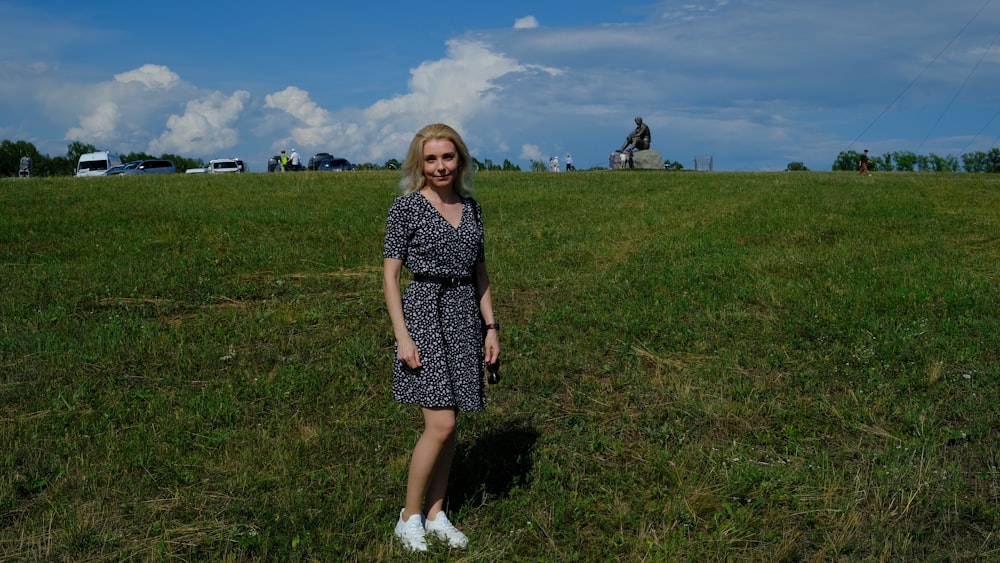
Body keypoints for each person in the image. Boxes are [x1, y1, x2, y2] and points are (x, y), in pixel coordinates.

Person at [383, 123, 500, 552]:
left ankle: (436, 514)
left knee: (453, 426)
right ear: (420, 164)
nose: (440, 166)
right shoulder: (407, 208)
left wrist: (492, 328)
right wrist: (403, 335)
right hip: (424, 313)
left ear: (461, 160)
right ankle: (408, 516)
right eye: (431, 159)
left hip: (464, 316)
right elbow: (391, 277)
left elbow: (480, 272)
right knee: (441, 422)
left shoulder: (472, 209)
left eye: (447, 157)